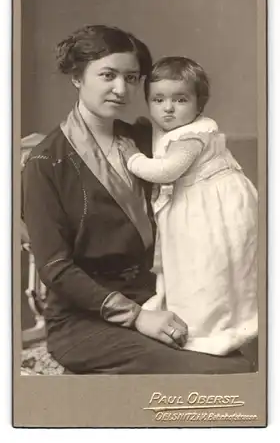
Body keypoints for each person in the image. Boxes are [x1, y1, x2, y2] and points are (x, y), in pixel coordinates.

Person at [22, 27, 253, 374]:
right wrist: (136, 316)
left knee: (245, 358)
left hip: (162, 295)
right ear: (76, 77)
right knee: (225, 374)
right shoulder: (46, 163)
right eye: (107, 75)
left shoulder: (147, 140)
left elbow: (208, 170)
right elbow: (56, 268)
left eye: (131, 78)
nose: (121, 89)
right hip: (86, 320)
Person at [119, 56, 258, 363]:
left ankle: (213, 329)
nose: (168, 108)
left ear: (199, 104)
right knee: (195, 267)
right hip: (199, 204)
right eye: (158, 99)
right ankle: (200, 320)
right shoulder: (172, 127)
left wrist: (132, 159)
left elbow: (167, 170)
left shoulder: (192, 135)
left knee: (208, 268)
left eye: (180, 99)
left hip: (212, 208)